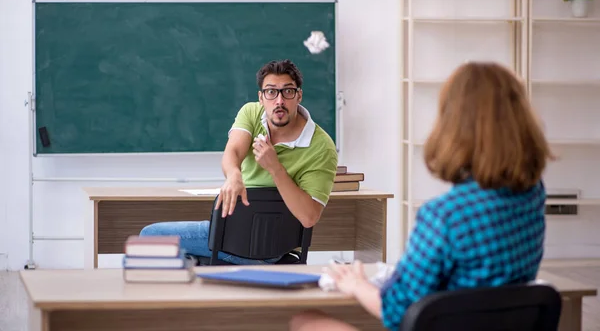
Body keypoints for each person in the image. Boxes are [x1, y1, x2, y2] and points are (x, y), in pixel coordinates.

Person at [289, 62, 553, 331]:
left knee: (306, 320)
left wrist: (356, 285)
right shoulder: (533, 194)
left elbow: (397, 311)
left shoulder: (445, 216)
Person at [140, 59, 338, 265]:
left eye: (287, 91)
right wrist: (234, 175)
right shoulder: (252, 113)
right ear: (261, 98)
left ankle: (209, 264)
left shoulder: (321, 147)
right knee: (190, 252)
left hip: (272, 244)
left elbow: (309, 218)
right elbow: (233, 151)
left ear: (299, 95)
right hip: (238, 232)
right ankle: (217, 264)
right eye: (271, 92)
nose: (279, 101)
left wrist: (275, 168)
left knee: (150, 236)